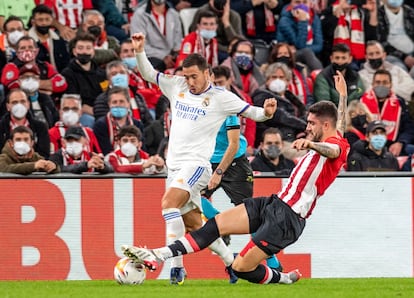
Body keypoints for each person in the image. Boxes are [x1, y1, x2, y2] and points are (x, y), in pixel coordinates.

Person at [121, 69, 350, 285]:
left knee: (241, 267)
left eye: (311, 123)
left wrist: (311, 143)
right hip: (273, 203)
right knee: (214, 226)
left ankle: (284, 278)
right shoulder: (335, 133)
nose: (308, 127)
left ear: (325, 125)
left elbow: (333, 151)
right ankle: (155, 254)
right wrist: (343, 96)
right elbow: (339, 123)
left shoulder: (334, 146)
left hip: (289, 219)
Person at [129, 32, 277, 285]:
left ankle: (174, 267)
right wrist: (139, 50)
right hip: (174, 167)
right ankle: (231, 263)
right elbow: (148, 74)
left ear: (207, 73)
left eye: (193, 76)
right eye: (186, 76)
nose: (189, 81)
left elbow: (254, 113)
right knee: (195, 226)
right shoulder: (177, 86)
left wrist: (267, 112)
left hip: (197, 166)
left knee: (168, 204)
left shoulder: (222, 98)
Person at [360, 69, 414, 157]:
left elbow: (409, 128)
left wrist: (401, 143)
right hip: (366, 144)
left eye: (385, 82)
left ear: (391, 84)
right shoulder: (361, 102)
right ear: (372, 84)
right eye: (378, 82)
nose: (381, 85)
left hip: (393, 145)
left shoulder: (400, 103)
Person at [61, 33, 108, 128]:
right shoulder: (67, 74)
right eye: (80, 48)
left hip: (102, 111)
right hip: (81, 113)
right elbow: (74, 102)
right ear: (74, 51)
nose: (84, 52)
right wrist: (98, 113)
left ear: (93, 51)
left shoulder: (102, 73)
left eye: (88, 48)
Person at [130, 0, 183, 72]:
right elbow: (140, 44)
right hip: (151, 57)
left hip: (171, 57)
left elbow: (178, 42)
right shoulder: (139, 15)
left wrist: (174, 56)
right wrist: (163, 56)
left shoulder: (174, 14)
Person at [93, 86, 145, 155]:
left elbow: (142, 148)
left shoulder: (137, 124)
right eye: (114, 102)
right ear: (109, 104)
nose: (118, 105)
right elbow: (104, 150)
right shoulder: (101, 125)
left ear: (128, 104)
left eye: (121, 101)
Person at [0, 88, 50, 158]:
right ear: (8, 106)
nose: (19, 105)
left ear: (28, 104)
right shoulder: (1, 127)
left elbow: (44, 154)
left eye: (22, 101)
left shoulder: (41, 127)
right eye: (14, 102)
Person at [28, 5, 70, 73]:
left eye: (47, 19)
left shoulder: (59, 40)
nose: (44, 23)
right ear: (33, 22)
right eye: (40, 20)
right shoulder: (27, 41)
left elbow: (66, 63)